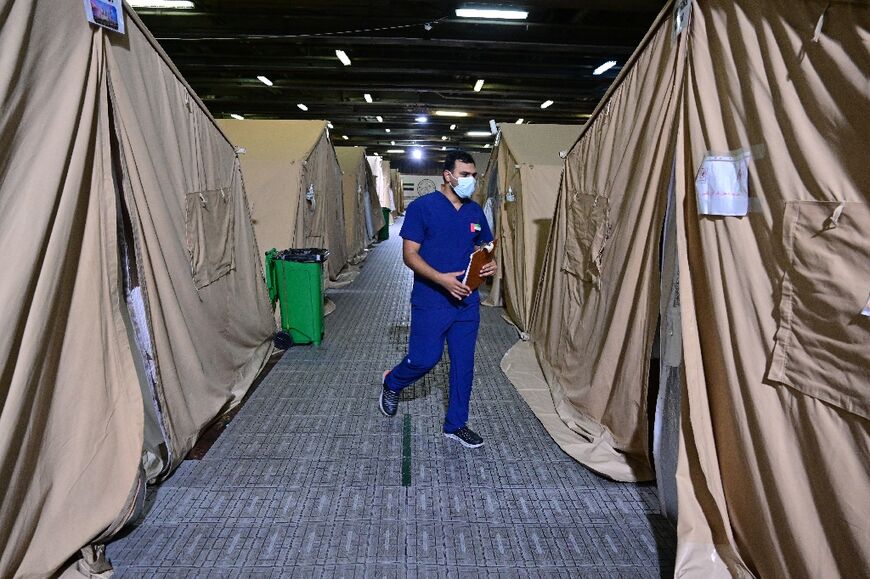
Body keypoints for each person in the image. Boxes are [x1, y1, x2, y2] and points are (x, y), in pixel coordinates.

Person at [378, 150, 496, 448]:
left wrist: (491, 265)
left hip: (466, 301)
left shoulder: (475, 212)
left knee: (463, 364)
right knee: (425, 359)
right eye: (465, 175)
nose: (471, 181)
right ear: (448, 175)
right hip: (432, 299)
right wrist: (442, 279)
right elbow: (410, 255)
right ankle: (393, 382)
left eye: (474, 175)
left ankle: (456, 424)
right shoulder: (423, 208)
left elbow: (485, 248)